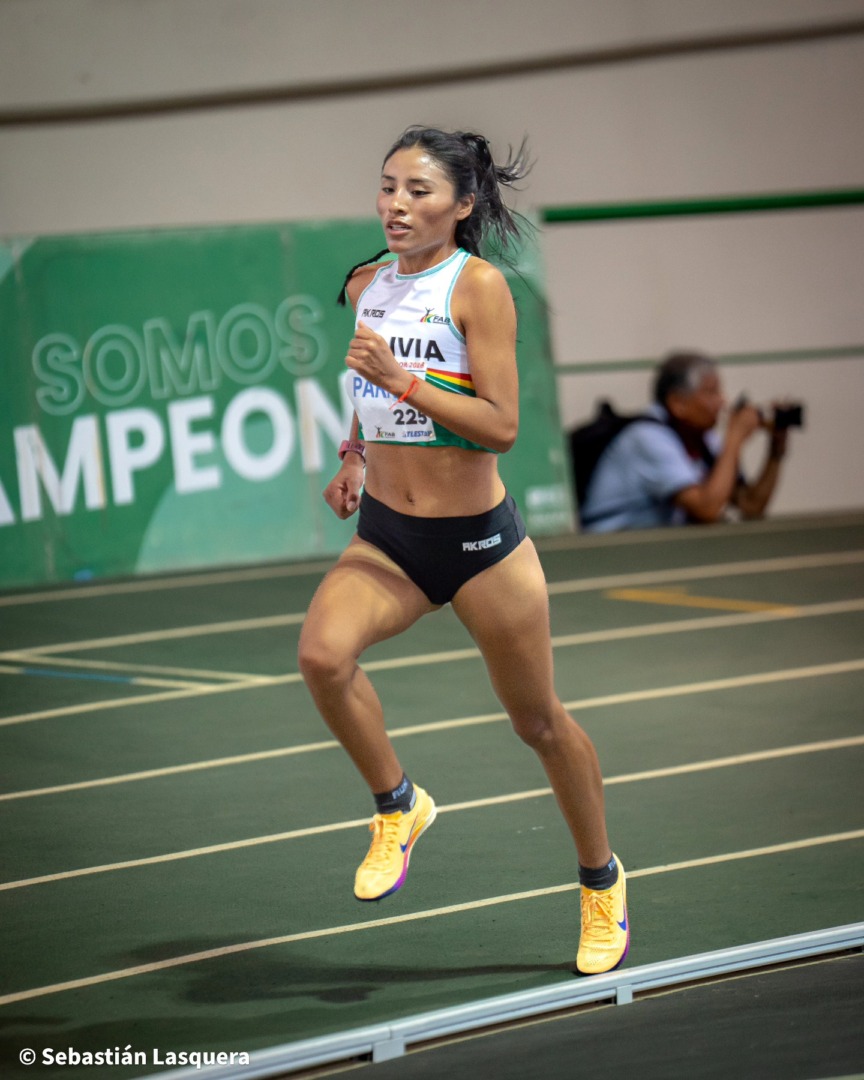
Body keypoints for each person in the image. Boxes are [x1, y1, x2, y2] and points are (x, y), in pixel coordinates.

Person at [297, 126, 628, 976]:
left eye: (418, 192)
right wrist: (354, 454)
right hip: (390, 536)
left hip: (479, 545)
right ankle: (397, 806)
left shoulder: (479, 289)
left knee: (538, 723)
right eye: (387, 188)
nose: (397, 206)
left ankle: (601, 885)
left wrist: (407, 381)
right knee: (322, 657)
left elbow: (503, 428)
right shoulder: (367, 283)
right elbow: (369, 392)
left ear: (464, 206)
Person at [578, 351, 791, 532]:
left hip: (655, 547)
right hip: (611, 546)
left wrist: (776, 452)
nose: (722, 401)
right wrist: (734, 438)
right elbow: (708, 509)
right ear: (677, 403)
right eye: (710, 392)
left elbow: (750, 506)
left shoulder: (704, 438)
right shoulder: (647, 438)